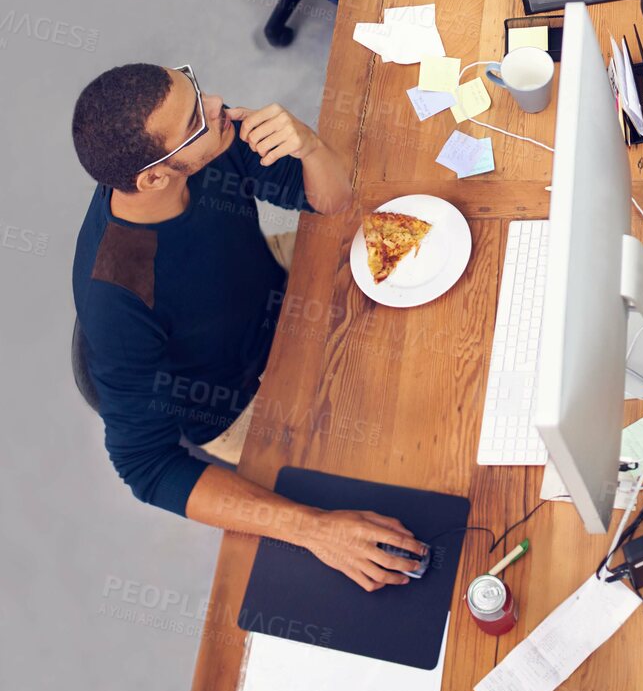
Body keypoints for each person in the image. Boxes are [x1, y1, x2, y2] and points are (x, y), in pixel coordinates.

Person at [71, 62, 424, 591]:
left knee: (423, 263)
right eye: (196, 115)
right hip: (239, 401)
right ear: (153, 177)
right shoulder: (118, 296)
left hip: (276, 288)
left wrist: (309, 146)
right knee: (403, 448)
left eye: (197, 87)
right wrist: (313, 529)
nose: (217, 105)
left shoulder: (210, 141)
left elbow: (330, 201)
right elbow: (146, 467)